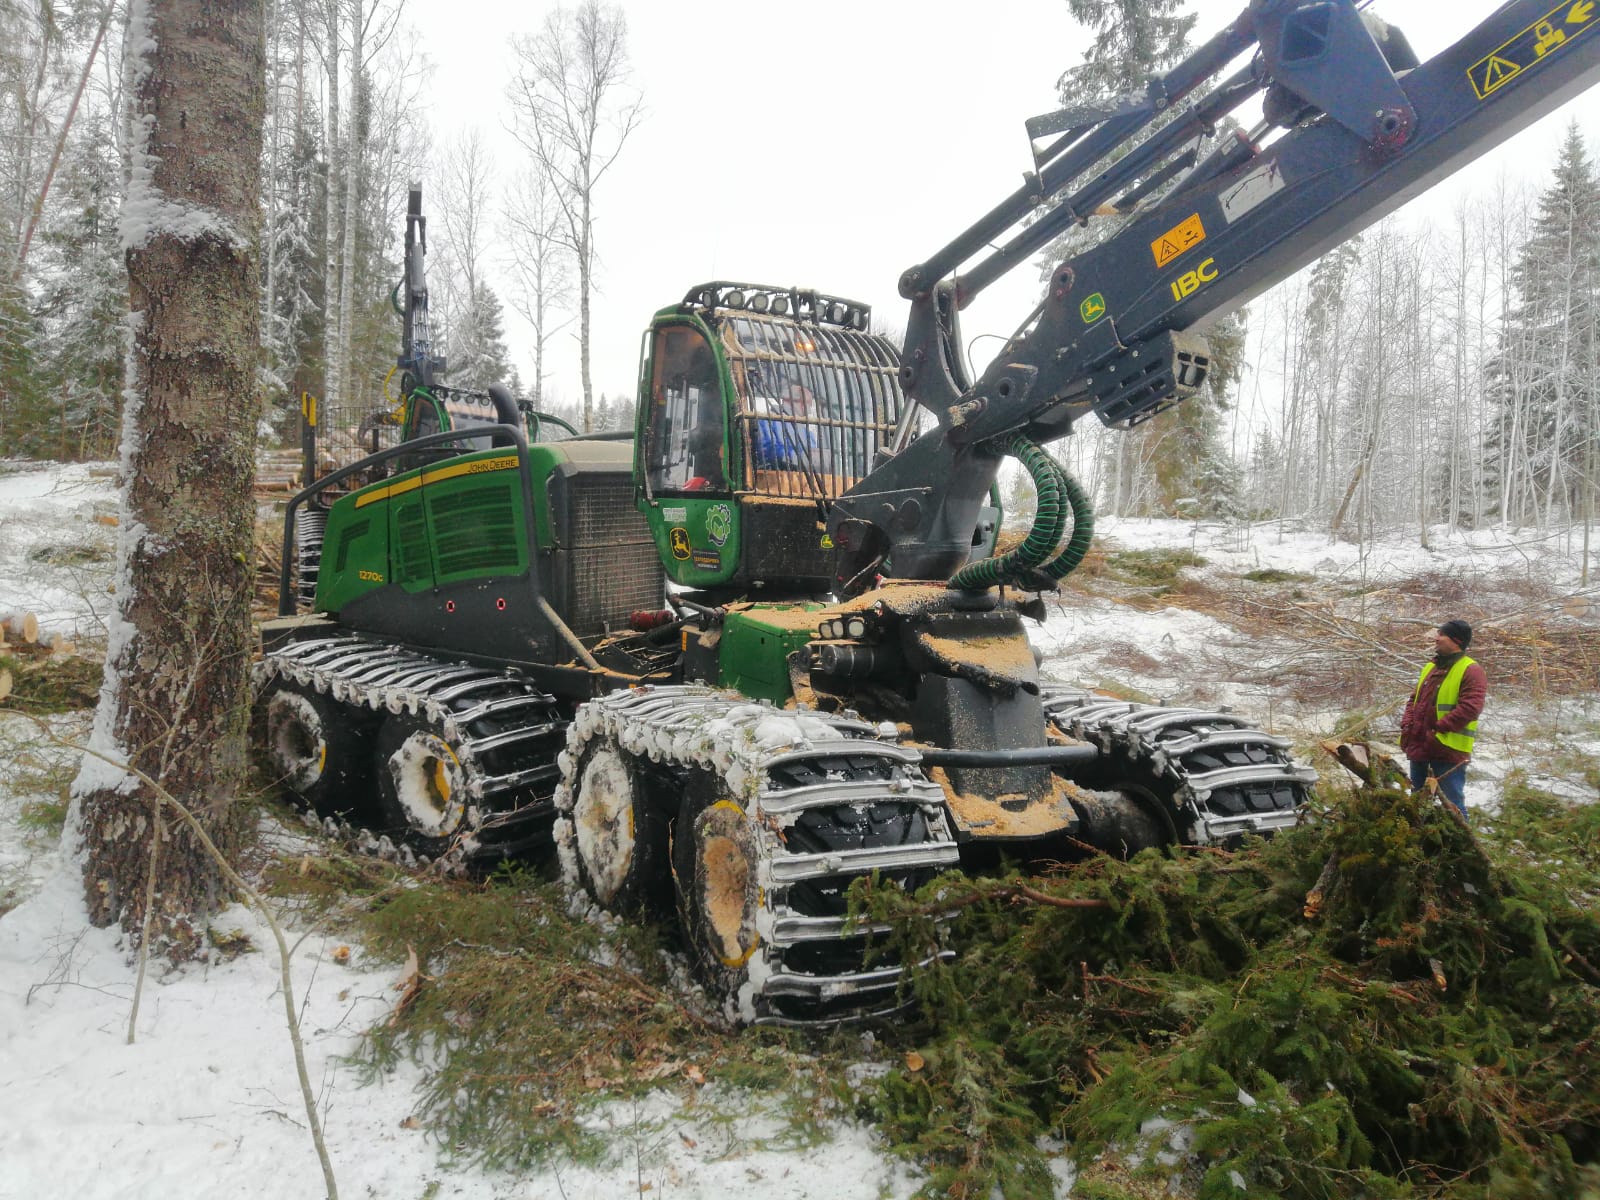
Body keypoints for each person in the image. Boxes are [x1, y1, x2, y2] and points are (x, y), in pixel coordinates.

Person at [1400, 619, 1486, 818]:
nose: (1436, 638)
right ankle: (1419, 843)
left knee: (1452, 804)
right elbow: (1414, 699)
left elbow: (1470, 708)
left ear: (1456, 640)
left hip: (1447, 750)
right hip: (1420, 747)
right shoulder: (1430, 667)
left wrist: (1437, 729)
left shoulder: (1471, 670)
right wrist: (1408, 724)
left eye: (1442, 635)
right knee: (1418, 801)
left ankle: (1464, 846)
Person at [751, 380, 819, 470]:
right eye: (806, 404)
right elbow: (766, 451)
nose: (808, 411)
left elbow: (814, 461)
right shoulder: (766, 421)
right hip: (773, 477)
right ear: (790, 401)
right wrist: (797, 457)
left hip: (804, 480)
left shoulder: (808, 434)